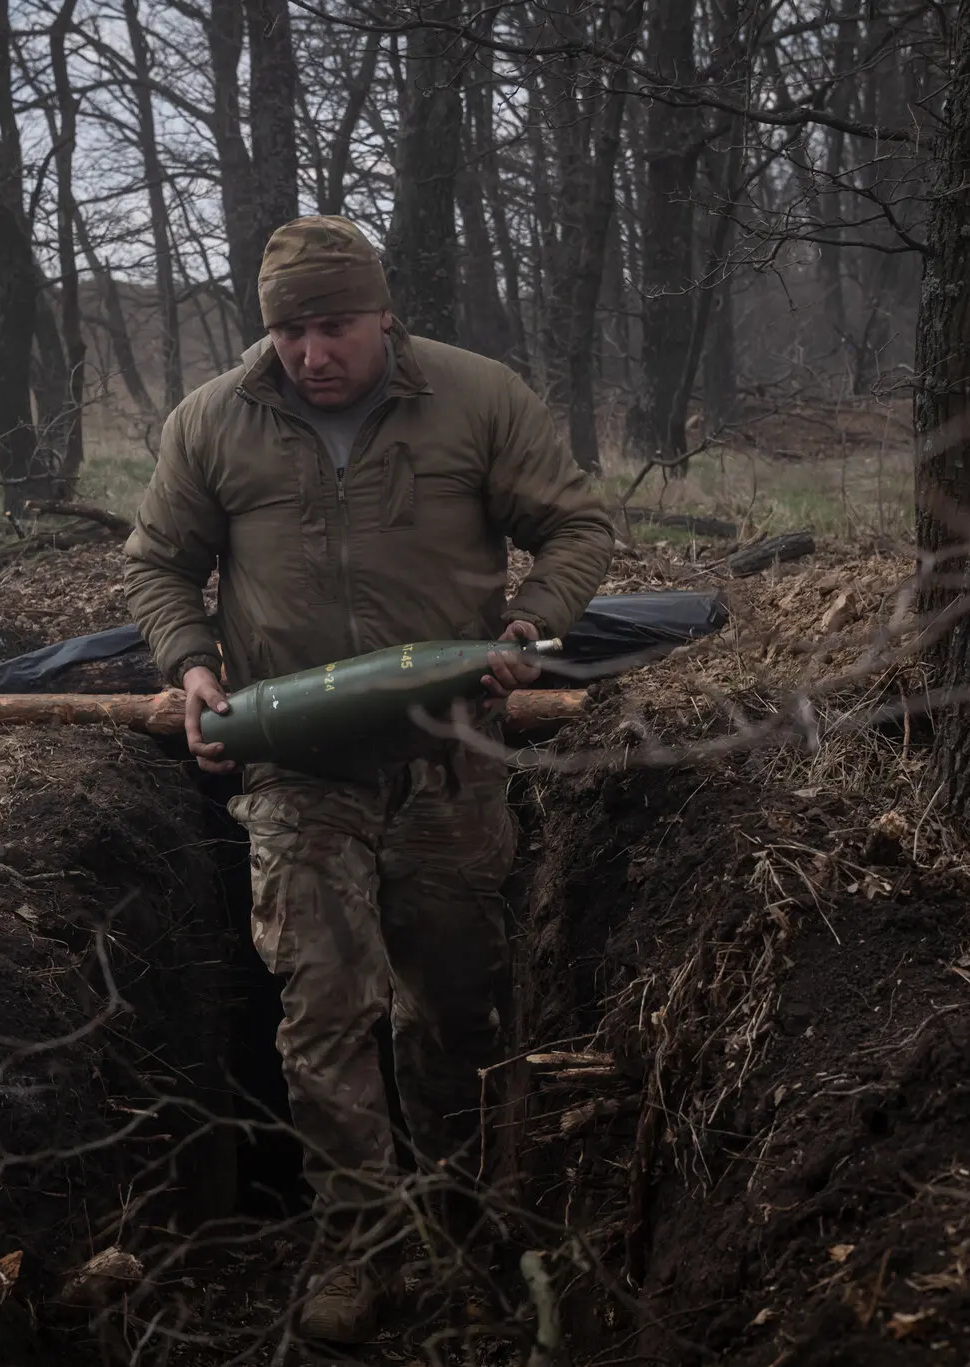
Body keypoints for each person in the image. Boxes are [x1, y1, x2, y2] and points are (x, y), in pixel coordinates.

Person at [123, 215, 613, 1342]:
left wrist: (530, 623)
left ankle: (460, 1215)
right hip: (293, 761)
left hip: (449, 755)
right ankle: (363, 1241)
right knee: (322, 1004)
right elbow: (160, 563)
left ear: (383, 314)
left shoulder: (476, 398)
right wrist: (191, 664)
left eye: (332, 326)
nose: (310, 353)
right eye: (289, 331)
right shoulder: (213, 420)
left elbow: (575, 524)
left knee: (451, 1002)